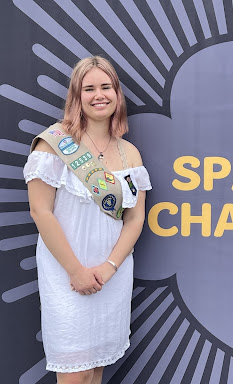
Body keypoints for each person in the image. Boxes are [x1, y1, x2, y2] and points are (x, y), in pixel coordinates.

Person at [24, 56, 151, 383]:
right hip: (66, 273)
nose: (99, 95)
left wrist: (108, 268)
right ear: (76, 97)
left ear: (117, 94)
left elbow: (135, 220)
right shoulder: (54, 144)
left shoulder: (129, 153)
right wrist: (76, 271)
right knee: (74, 373)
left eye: (106, 87)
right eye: (89, 88)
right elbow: (41, 211)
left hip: (111, 274)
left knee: (95, 371)